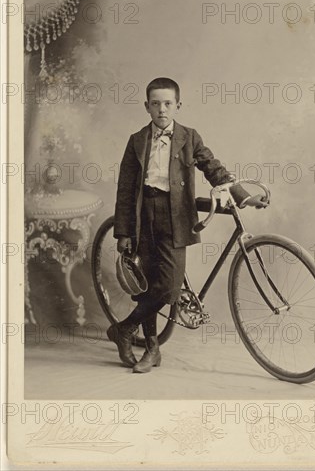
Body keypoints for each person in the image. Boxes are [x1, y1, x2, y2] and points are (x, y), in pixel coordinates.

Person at [108, 77, 265, 373]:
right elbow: (126, 189)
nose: (161, 110)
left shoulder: (189, 137)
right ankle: (152, 349)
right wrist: (124, 231)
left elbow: (213, 167)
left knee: (167, 287)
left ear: (177, 105)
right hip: (144, 216)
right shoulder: (137, 140)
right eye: (155, 104)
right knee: (147, 284)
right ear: (147, 107)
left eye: (168, 104)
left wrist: (241, 195)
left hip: (175, 216)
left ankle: (123, 329)